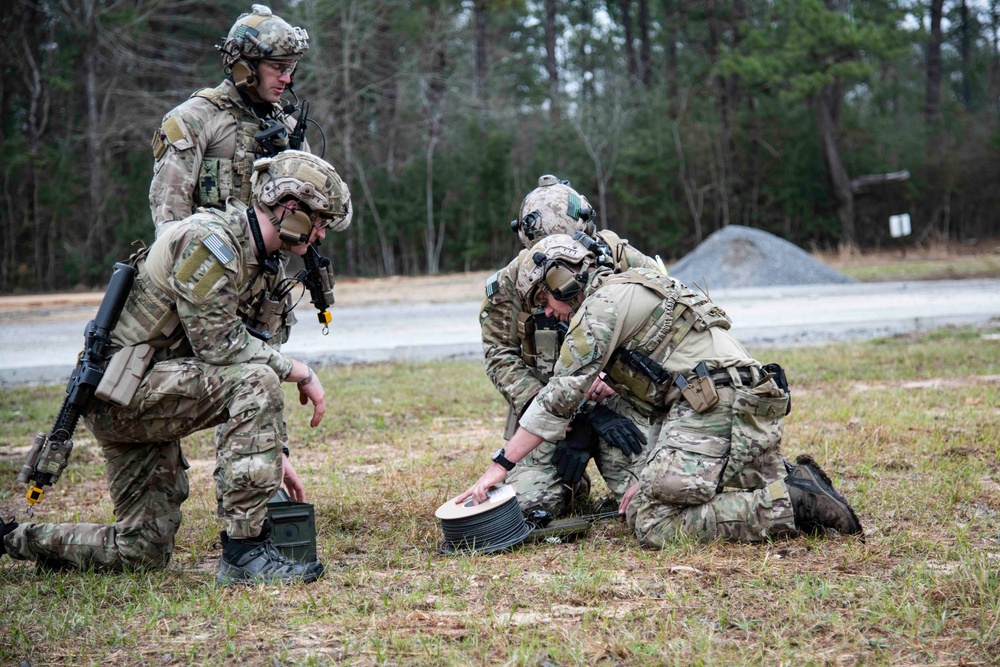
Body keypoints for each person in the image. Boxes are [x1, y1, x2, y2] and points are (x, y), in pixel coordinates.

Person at [1, 150, 353, 585]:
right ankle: (245, 553)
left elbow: (242, 363)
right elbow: (221, 347)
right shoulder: (208, 241)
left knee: (140, 550)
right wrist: (301, 371)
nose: (320, 234)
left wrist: (273, 453)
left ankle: (10, 537)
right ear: (290, 208)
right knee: (259, 378)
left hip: (148, 396)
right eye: (319, 221)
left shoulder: (263, 265)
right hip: (124, 397)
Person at [461, 234, 863, 545]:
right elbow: (662, 395)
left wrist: (499, 467)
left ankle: (791, 504)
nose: (547, 312)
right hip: (740, 403)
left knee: (651, 519)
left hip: (715, 406)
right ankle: (789, 478)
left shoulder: (600, 310)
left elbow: (557, 400)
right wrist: (652, 476)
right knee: (659, 492)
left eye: (543, 299)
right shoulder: (635, 283)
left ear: (562, 281)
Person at [480, 175, 664, 519]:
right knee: (531, 506)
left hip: (619, 407)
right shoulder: (509, 284)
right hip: (547, 412)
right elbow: (499, 355)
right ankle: (569, 486)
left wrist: (615, 384)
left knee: (650, 498)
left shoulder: (622, 260)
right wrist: (554, 411)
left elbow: (670, 326)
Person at [149, 4, 312, 230]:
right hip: (206, 251)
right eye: (277, 67)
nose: (286, 79)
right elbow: (170, 219)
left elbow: (329, 211)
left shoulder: (289, 129)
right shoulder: (194, 119)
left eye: (290, 68)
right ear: (245, 66)